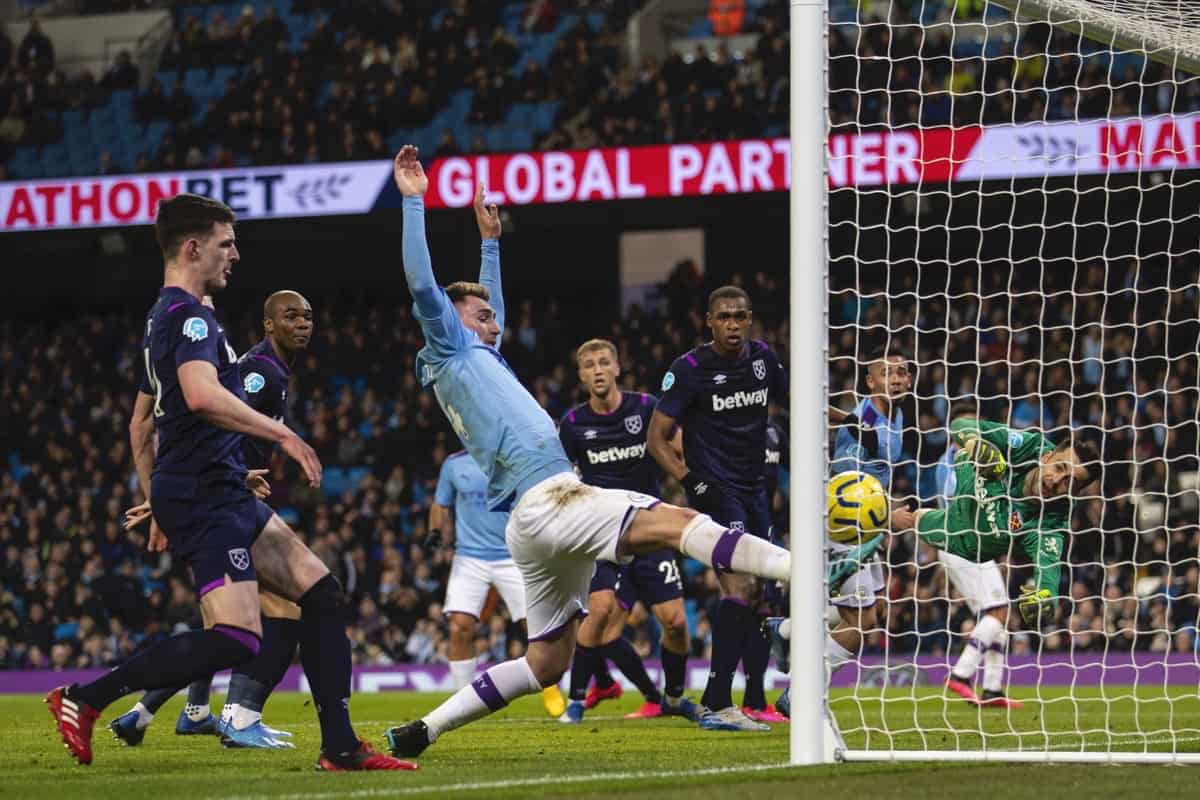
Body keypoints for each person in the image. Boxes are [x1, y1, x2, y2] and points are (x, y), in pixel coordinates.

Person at [384, 146, 790, 758]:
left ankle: (426, 729)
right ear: (456, 319)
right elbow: (424, 284)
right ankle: (803, 575)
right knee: (681, 521)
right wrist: (414, 200)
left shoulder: (476, 356)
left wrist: (489, 243)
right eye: (483, 314)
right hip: (555, 497)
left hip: (530, 524)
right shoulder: (448, 346)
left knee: (547, 660)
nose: (496, 320)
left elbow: (486, 309)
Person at [46, 193, 412, 771]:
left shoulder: (162, 318)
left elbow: (145, 422)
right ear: (193, 248)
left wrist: (158, 495)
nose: (235, 255)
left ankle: (340, 745)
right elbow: (198, 396)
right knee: (239, 637)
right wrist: (282, 436)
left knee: (321, 592)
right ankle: (84, 699)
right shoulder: (190, 318)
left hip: (214, 484)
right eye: (226, 243)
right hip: (205, 493)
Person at [111, 291, 316, 748]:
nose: (302, 324)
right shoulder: (262, 373)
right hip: (220, 500)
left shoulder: (270, 368)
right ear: (268, 324)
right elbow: (217, 423)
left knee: (224, 627)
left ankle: (154, 714)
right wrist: (227, 475)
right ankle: (240, 718)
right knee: (280, 609)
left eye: (307, 317)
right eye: (291, 316)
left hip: (217, 494)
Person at [646, 286, 789, 731]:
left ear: (750, 320)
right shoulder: (689, 370)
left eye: (740, 317)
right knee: (740, 588)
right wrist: (692, 481)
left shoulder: (763, 360)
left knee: (764, 597)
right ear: (708, 321)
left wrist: (850, 422)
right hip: (715, 490)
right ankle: (716, 703)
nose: (733, 325)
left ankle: (743, 697)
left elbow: (802, 400)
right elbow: (657, 438)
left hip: (755, 491)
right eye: (724, 317)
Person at [558, 339, 697, 724]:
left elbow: (682, 446)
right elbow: (559, 476)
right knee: (599, 614)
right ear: (582, 375)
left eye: (604, 362)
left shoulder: (647, 408)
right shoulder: (572, 424)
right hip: (603, 535)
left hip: (650, 529)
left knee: (675, 622)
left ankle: (669, 697)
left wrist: (694, 479)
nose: (598, 370)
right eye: (589, 365)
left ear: (617, 368)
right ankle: (576, 700)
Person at [891, 416, 1103, 645]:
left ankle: (972, 678)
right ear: (1047, 456)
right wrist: (974, 443)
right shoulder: (1028, 446)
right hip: (962, 497)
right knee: (983, 458)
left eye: (1069, 483)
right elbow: (960, 424)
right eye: (1059, 467)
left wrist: (1045, 597)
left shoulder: (1052, 522)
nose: (1056, 480)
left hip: (965, 543)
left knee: (999, 620)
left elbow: (1049, 567)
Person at [433, 448, 567, 716]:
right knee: (459, 626)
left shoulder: (512, 459)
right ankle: (462, 700)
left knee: (536, 625)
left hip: (511, 554)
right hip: (469, 557)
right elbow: (441, 503)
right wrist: (435, 531)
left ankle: (549, 684)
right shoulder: (453, 464)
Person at [823, 350, 912, 675]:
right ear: (870, 381)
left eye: (902, 372)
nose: (898, 379)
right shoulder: (864, 424)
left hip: (868, 531)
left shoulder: (895, 414)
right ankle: (799, 692)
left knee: (867, 615)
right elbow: (844, 493)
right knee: (861, 623)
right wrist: (890, 516)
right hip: (846, 531)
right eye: (888, 374)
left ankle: (787, 630)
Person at [936, 405, 1023, 708]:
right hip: (964, 541)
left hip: (968, 543)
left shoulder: (964, 458)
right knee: (997, 611)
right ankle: (961, 675)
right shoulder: (954, 461)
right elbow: (957, 501)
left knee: (997, 615)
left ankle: (993, 689)